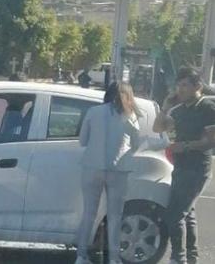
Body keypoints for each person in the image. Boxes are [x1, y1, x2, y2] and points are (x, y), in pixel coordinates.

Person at [153, 67, 215, 264]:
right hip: (180, 166)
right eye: (178, 85)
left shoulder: (208, 107)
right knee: (188, 215)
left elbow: (210, 141)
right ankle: (191, 257)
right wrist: (165, 106)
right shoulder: (179, 110)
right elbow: (158, 127)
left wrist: (185, 146)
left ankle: (178, 258)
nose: (180, 90)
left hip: (198, 167)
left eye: (185, 85)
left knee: (174, 214)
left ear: (197, 86)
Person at [74, 82, 141, 264]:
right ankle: (113, 258)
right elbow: (136, 145)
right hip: (118, 170)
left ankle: (81, 256)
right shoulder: (130, 115)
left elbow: (82, 141)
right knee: (115, 216)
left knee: (89, 213)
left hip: (91, 167)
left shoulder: (93, 112)